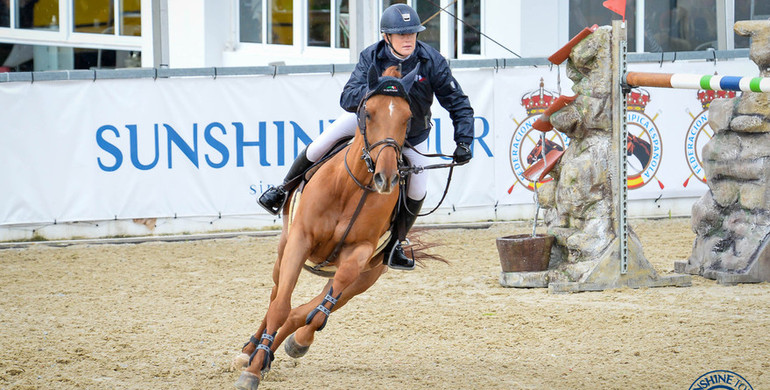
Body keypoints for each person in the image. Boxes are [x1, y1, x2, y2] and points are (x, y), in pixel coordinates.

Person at [258, 3, 474, 270]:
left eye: (412, 33)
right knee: (321, 144)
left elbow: (458, 103)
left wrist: (464, 140)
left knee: (418, 187)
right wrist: (379, 99)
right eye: (401, 34)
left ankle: (397, 242)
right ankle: (282, 190)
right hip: (369, 126)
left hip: (411, 135)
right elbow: (347, 95)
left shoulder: (432, 61)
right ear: (386, 37)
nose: (408, 39)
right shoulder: (371, 56)